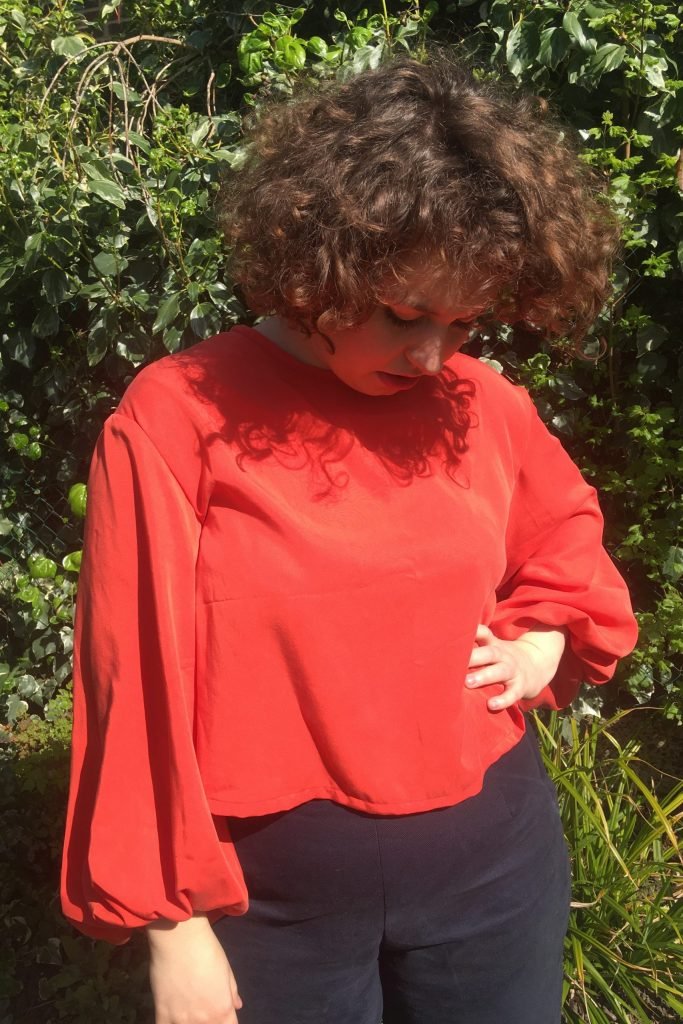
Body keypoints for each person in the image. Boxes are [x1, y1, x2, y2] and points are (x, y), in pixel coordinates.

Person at [60, 52, 638, 1024]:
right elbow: (132, 680)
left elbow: (566, 542)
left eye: (463, 322)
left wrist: (543, 638)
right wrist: (172, 924)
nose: (431, 354)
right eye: (403, 314)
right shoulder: (177, 416)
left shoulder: (482, 404)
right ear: (319, 265)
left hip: (492, 868)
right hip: (272, 903)